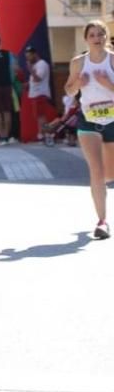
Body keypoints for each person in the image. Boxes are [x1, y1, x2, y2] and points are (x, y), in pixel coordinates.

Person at [65, 20, 114, 240]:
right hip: (88, 121)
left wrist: (107, 84)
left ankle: (100, 191)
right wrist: (77, 84)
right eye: (92, 35)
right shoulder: (78, 63)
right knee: (96, 170)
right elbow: (68, 89)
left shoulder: (113, 60)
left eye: (101, 34)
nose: (97, 38)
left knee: (109, 174)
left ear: (107, 36)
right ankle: (102, 221)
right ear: (86, 39)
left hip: (112, 120)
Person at [25, 46, 53, 141]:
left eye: (29, 56)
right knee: (38, 115)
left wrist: (30, 69)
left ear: (35, 54)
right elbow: (33, 80)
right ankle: (41, 133)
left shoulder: (42, 64)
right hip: (35, 94)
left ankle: (46, 134)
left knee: (41, 116)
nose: (28, 59)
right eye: (27, 56)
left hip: (40, 93)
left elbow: (38, 79)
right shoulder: (36, 65)